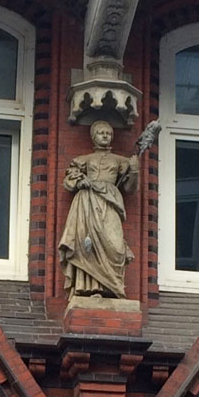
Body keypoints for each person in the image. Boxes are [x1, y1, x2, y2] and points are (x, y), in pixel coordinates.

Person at [59, 120, 139, 300]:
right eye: (101, 133)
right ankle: (90, 288)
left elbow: (130, 189)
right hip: (88, 200)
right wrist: (80, 180)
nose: (105, 135)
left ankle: (113, 287)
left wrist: (134, 171)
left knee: (115, 244)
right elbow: (69, 180)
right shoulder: (85, 159)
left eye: (108, 133)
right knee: (87, 243)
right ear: (94, 136)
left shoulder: (120, 161)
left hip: (111, 202)